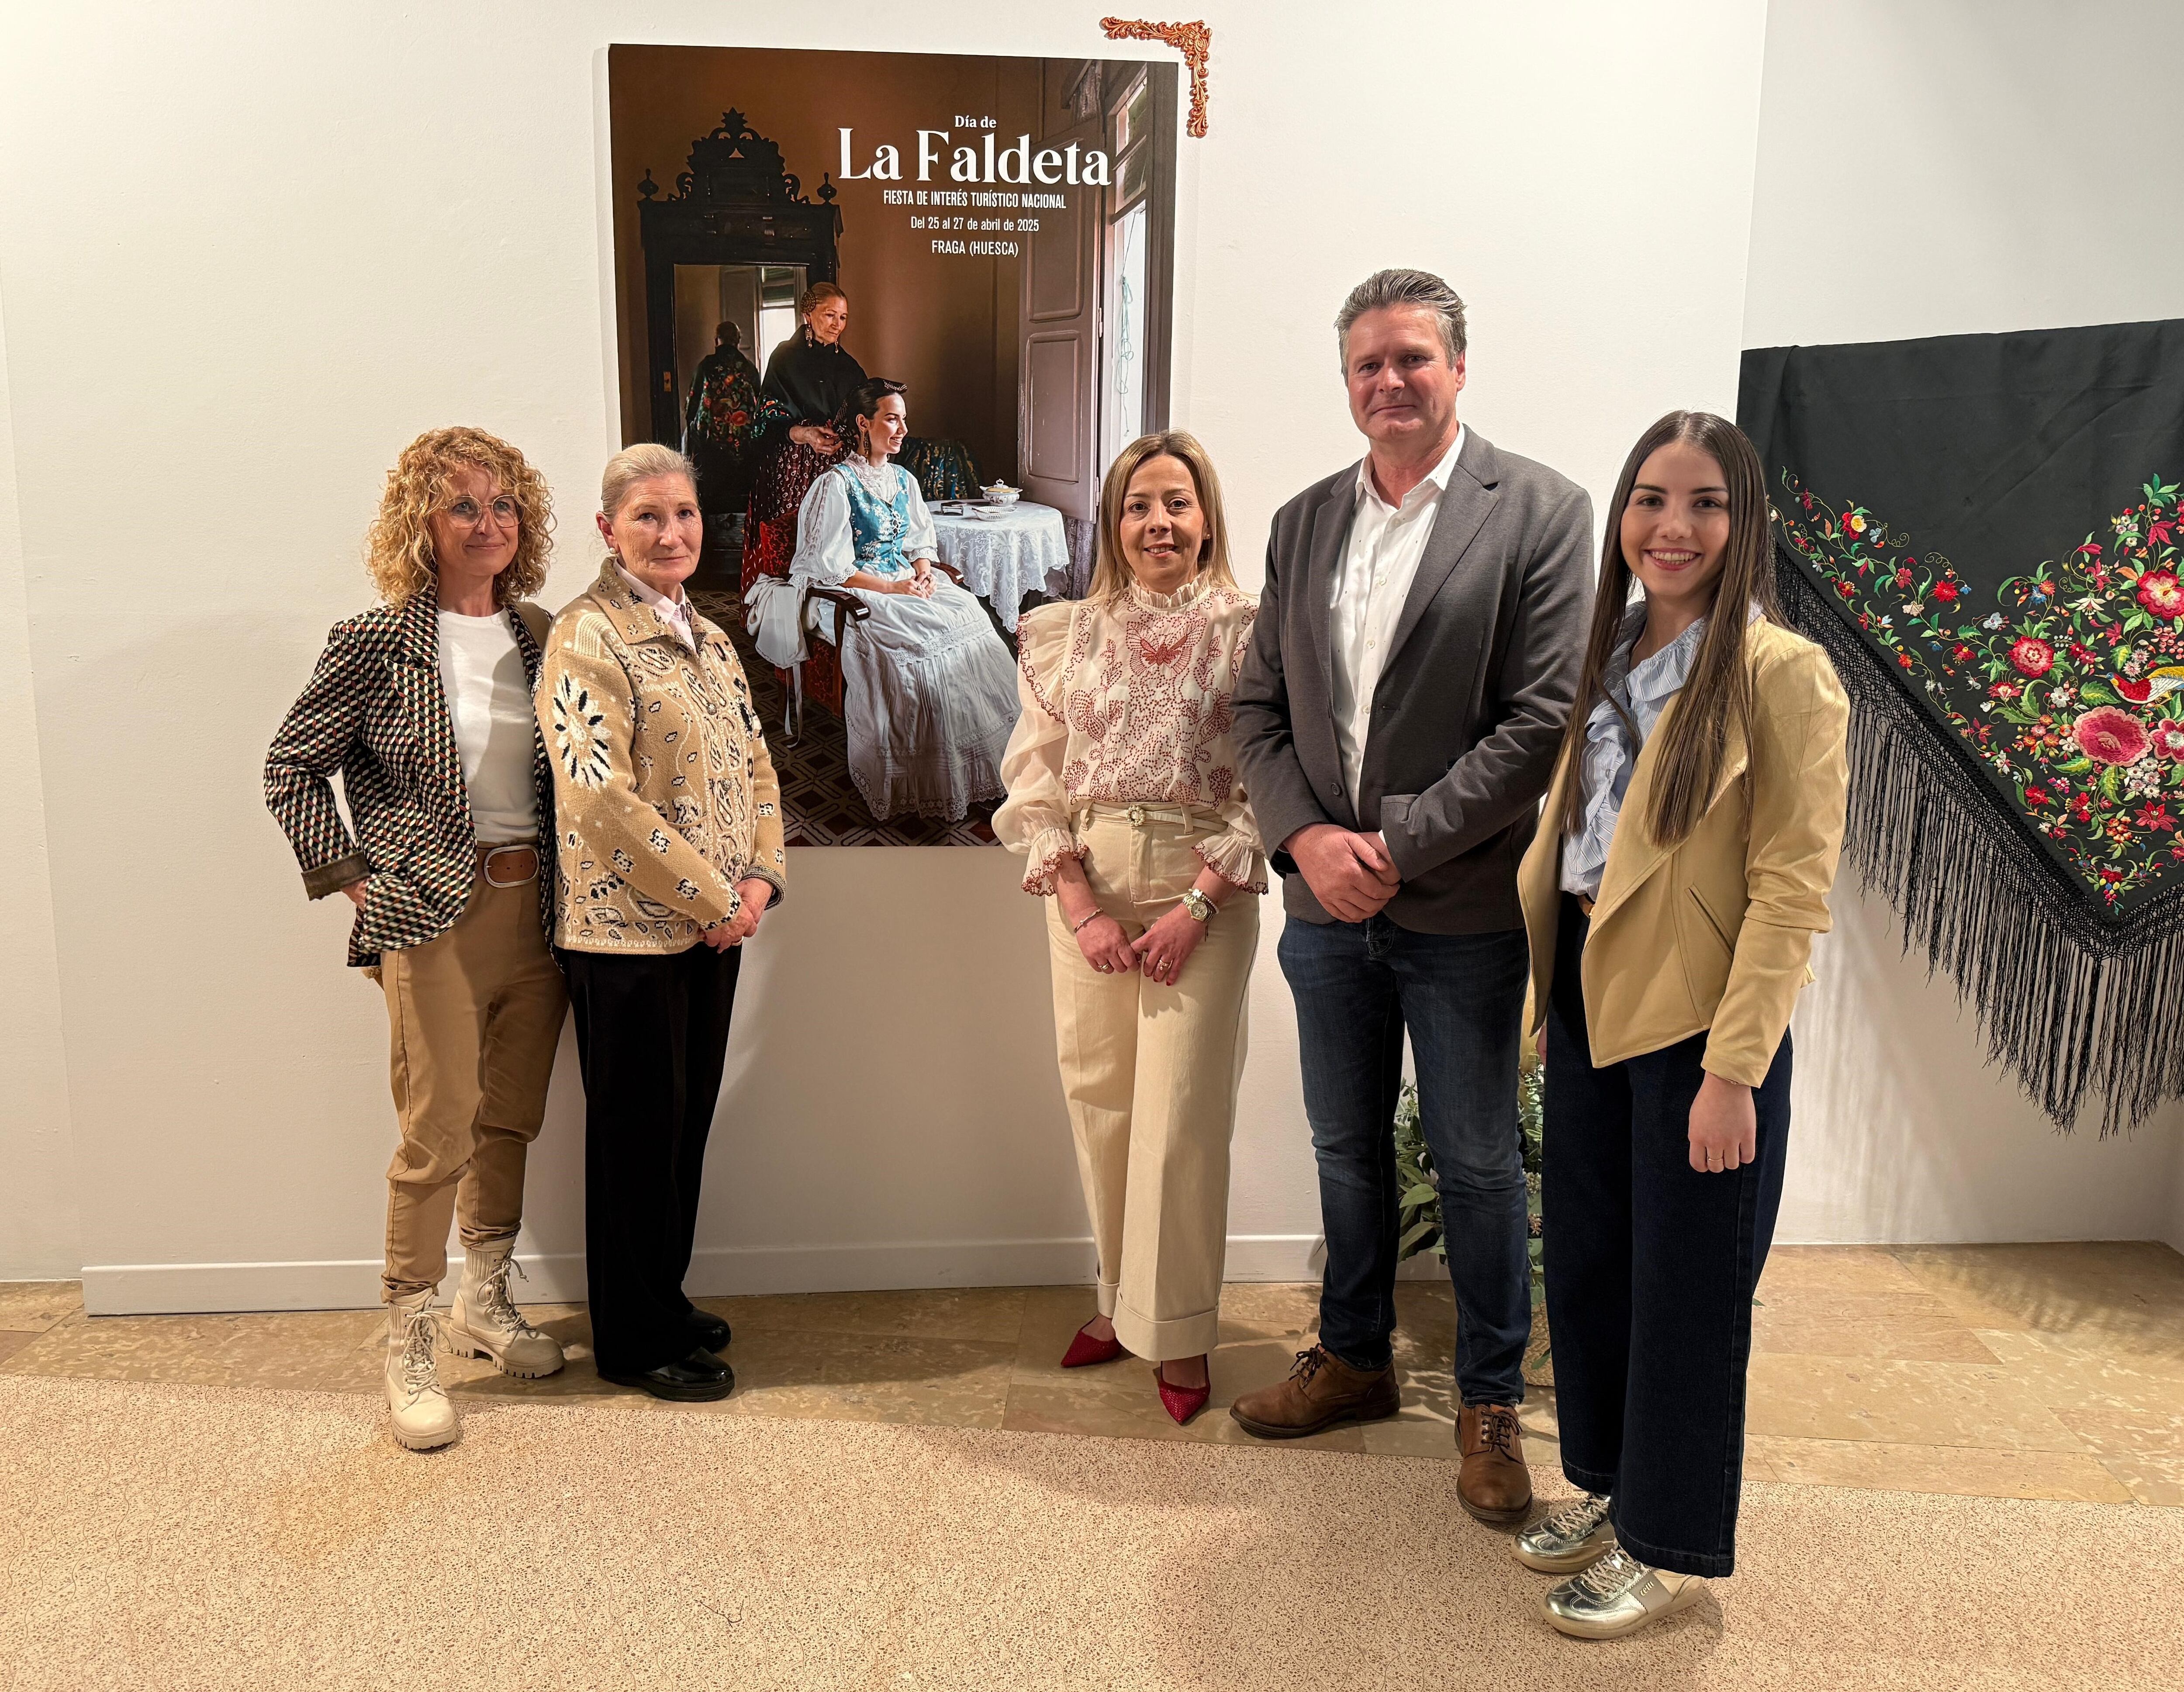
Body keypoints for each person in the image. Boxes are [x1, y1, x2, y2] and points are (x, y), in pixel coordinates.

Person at [1229, 269, 1593, 1526]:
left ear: (1458, 369)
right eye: (1367, 364)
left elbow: (1540, 721)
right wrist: (1308, 843)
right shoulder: (1303, 521)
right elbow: (1257, 709)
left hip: (1463, 916)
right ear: (1346, 384)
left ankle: (1491, 1399)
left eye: (1412, 359)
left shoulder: (1541, 511)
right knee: (1341, 1145)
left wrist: (1389, 841)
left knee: (1479, 1158)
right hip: (1327, 913)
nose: (1390, 381)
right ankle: (1355, 1357)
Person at [1510, 411, 1847, 1638]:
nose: (1672, 526)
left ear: (1741, 520)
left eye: (1705, 502)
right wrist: (1558, 1002)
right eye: (1651, 498)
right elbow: (1578, 850)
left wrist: (1733, 1071)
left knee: (1690, 1294)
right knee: (1596, 1269)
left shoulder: (1779, 673)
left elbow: (1790, 889)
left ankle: (1666, 1541)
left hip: (1704, 1033)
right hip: (1601, 1006)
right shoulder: (1603, 653)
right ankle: (1604, 1483)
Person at [265, 426, 568, 1453]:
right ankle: (410, 1338)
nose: (487, 524)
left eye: (503, 506)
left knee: (509, 1115)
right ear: (422, 527)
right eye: (463, 507)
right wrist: (350, 873)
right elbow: (292, 765)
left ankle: (486, 1298)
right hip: (430, 913)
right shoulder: (374, 640)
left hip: (542, 912)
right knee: (438, 1123)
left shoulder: (543, 632)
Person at [995, 431, 1265, 1426]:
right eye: (1140, 505)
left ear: (1206, 518)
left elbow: (1274, 779)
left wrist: (1197, 904)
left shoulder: (1253, 629)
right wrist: (1079, 906)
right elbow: (1034, 773)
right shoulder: (1065, 631)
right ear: (1114, 524)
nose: (1159, 521)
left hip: (1209, 886)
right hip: (1091, 879)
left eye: (1176, 503)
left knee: (1183, 1120)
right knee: (1101, 1099)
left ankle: (1178, 1326)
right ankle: (1120, 1303)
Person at [537, 443, 788, 1403]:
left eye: (683, 514)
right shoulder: (584, 637)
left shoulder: (710, 636)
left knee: (682, 1129)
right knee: (635, 1138)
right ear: (608, 528)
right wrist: (715, 899)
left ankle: (663, 1297)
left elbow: (758, 766)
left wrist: (758, 880)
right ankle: (633, 1338)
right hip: (623, 944)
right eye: (647, 516)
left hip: (713, 934)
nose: (671, 532)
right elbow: (600, 798)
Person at [789, 378, 1018, 820]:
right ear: (863, 423)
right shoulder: (835, 485)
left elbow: (918, 542)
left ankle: (986, 763)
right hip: (856, 588)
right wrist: (893, 589)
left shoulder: (903, 479)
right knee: (917, 641)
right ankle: (922, 775)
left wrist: (924, 574)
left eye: (903, 420)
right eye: (891, 419)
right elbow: (829, 565)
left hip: (900, 579)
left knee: (967, 613)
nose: (901, 429)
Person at [744, 282, 865, 585]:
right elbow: (766, 418)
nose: (837, 325)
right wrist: (805, 434)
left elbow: (862, 413)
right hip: (793, 465)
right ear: (808, 314)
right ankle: (788, 615)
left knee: (836, 542)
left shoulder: (849, 366)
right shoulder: (784, 358)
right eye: (829, 315)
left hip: (838, 466)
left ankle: (829, 612)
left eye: (843, 317)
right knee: (794, 542)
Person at [682, 320, 767, 539]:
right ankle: (742, 540)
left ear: (716, 341)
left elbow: (693, 405)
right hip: (742, 446)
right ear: (738, 341)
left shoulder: (707, 366)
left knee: (711, 495)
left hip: (711, 446)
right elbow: (760, 407)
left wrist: (693, 430)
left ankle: (709, 542)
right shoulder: (749, 368)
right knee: (740, 494)